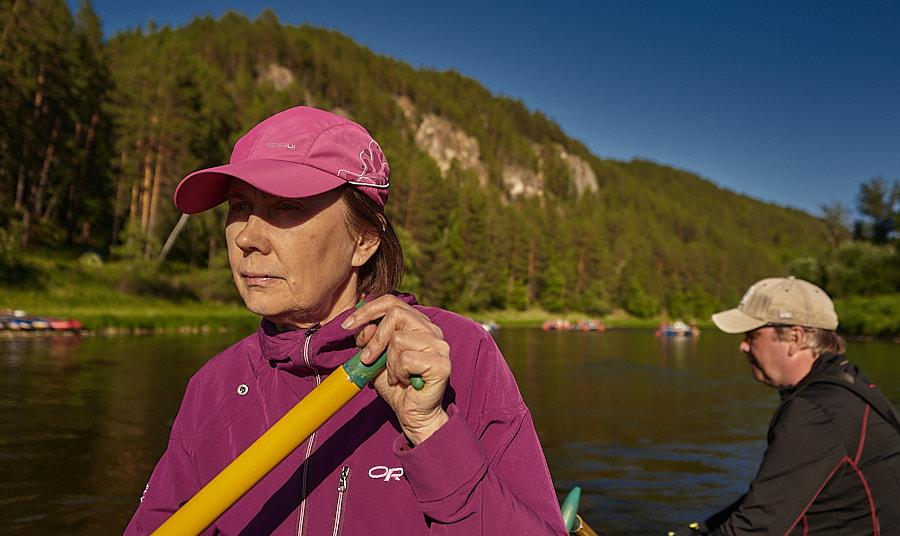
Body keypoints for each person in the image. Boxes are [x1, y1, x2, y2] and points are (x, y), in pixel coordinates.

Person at [124, 107, 568, 535]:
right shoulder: (213, 385)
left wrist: (430, 430)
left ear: (364, 239)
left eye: (286, 208)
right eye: (239, 206)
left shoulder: (459, 353)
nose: (246, 237)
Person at [670, 276, 900, 536]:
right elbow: (769, 501)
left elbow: (754, 529)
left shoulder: (814, 413)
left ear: (795, 337)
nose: (743, 346)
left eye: (752, 335)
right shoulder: (851, 385)